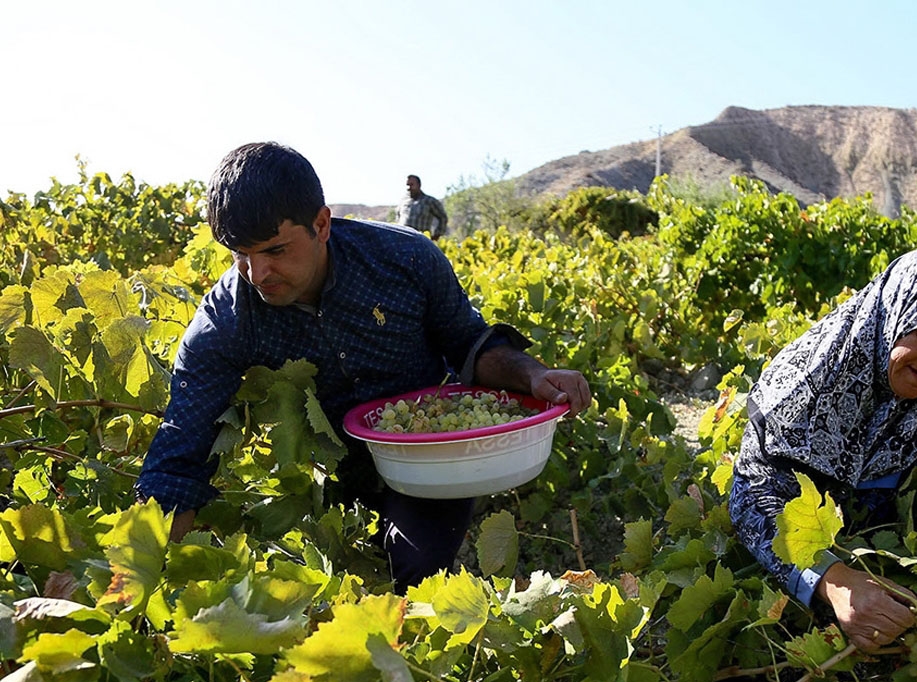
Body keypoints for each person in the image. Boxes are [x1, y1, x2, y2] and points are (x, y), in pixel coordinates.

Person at [135, 142, 590, 588]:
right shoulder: (226, 320)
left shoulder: (406, 259)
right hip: (325, 475)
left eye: (274, 251)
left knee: (417, 572)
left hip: (426, 459)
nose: (257, 275)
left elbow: (468, 343)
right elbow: (181, 451)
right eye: (240, 255)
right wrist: (136, 573)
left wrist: (532, 374)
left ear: (322, 224)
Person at [728, 244, 917, 653]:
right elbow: (753, 495)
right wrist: (835, 583)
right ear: (893, 313)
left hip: (883, 615)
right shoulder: (801, 384)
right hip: (769, 597)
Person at [397, 174, 449, 241]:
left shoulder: (429, 201)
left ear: (419, 185)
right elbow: (398, 218)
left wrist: (437, 235)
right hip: (402, 240)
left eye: (411, 185)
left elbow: (443, 217)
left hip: (420, 241)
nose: (409, 188)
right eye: (407, 185)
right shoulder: (403, 201)